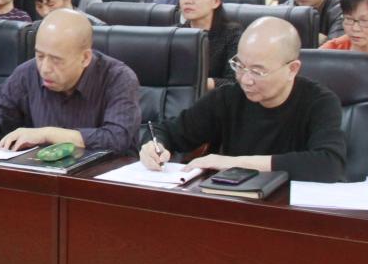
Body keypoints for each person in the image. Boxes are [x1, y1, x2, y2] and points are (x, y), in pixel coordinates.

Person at [139, 17, 346, 182]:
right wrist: (154, 146)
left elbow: (328, 164)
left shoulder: (320, 102)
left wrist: (232, 162)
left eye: (258, 71)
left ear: (292, 69)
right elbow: (167, 131)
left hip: (290, 209)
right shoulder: (228, 97)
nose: (245, 79)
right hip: (234, 202)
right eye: (239, 66)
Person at [0, 9, 140, 153]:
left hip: (101, 180)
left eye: (56, 60)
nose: (44, 68)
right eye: (40, 55)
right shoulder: (28, 72)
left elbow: (117, 139)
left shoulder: (118, 78)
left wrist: (47, 134)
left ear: (85, 58)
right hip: (41, 175)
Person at [178, 0, 242, 89]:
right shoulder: (176, 34)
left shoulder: (232, 34)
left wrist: (195, 83)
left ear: (215, 2)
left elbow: (234, 81)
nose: (187, 0)